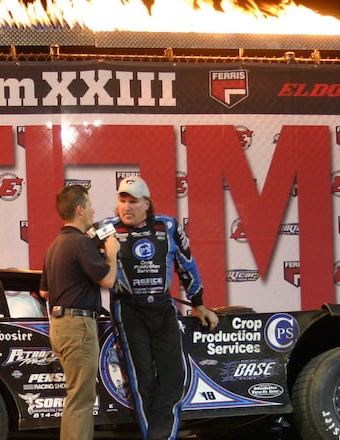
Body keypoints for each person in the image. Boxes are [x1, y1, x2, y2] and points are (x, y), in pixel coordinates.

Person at [104, 176, 218, 440]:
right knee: (142, 380)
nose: (127, 207)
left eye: (133, 201)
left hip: (163, 308)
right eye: (122, 200)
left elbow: (186, 264)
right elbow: (80, 256)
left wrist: (198, 303)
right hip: (128, 311)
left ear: (147, 204)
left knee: (173, 377)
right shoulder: (106, 230)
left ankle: (161, 435)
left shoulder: (167, 226)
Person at [40, 184, 120, 440]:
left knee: (78, 397)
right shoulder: (80, 243)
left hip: (60, 327)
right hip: (78, 328)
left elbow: (44, 292)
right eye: (90, 205)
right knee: (80, 400)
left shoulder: (55, 245)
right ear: (79, 210)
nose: (93, 210)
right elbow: (108, 280)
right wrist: (112, 254)